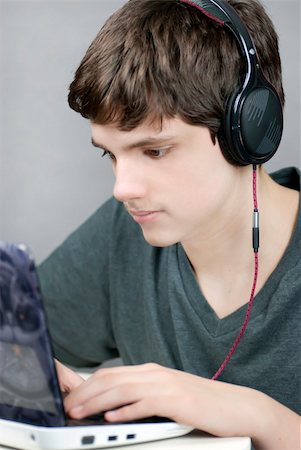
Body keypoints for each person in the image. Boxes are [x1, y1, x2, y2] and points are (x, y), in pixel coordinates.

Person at [38, 0, 300, 448]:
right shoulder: (124, 234)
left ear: (249, 130)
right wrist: (26, 367)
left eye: (155, 151)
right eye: (111, 154)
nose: (123, 188)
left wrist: (258, 416)